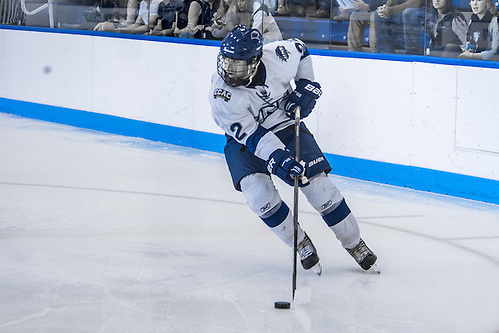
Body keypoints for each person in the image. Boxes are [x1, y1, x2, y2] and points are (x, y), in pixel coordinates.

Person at [209, 25, 378, 273]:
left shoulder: (278, 56)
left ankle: (354, 243)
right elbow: (253, 136)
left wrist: (305, 84)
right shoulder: (221, 95)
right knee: (258, 196)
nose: (230, 71)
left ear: (255, 61)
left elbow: (301, 49)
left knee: (319, 187)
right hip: (246, 139)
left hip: (286, 126)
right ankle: (300, 244)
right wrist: (279, 158)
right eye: (228, 62)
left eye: (239, 64)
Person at [209, 0, 282, 42]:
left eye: (242, 0)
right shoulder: (244, 12)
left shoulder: (260, 12)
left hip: (272, 46)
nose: (239, 4)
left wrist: (233, 29)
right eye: (238, 1)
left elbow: (252, 38)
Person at [93, 0, 160, 33]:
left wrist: (127, 30)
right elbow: (138, 23)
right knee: (101, 25)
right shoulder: (143, 3)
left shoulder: (155, 3)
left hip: (149, 34)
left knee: (103, 27)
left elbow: (149, 26)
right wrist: (125, 30)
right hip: (134, 29)